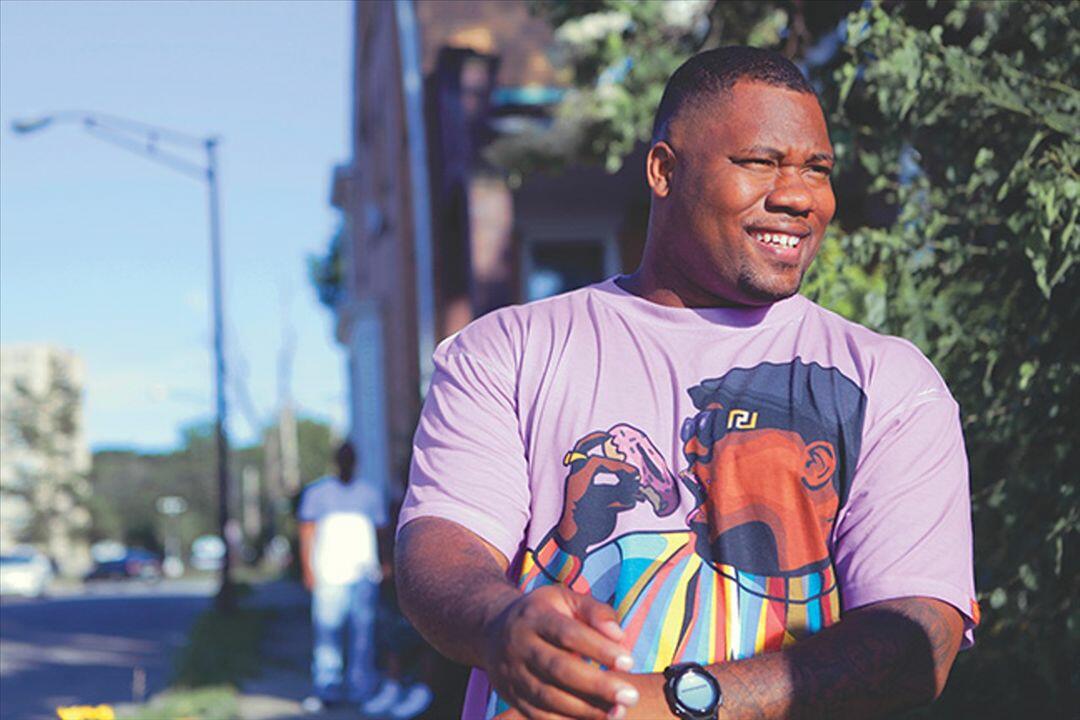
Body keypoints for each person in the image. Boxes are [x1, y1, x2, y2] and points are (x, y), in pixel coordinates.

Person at [396, 47, 978, 720]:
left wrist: (668, 701)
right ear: (664, 170)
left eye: (817, 170)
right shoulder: (510, 351)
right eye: (759, 162)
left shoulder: (888, 383)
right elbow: (442, 548)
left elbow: (917, 638)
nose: (798, 196)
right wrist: (502, 621)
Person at [297, 441, 385, 714]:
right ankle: (327, 689)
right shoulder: (317, 493)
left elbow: (381, 533)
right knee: (327, 635)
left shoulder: (370, 493)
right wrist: (308, 569)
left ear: (355, 461)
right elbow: (307, 532)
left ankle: (361, 689)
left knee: (363, 636)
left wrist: (384, 565)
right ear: (336, 461)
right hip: (329, 573)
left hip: (364, 575)